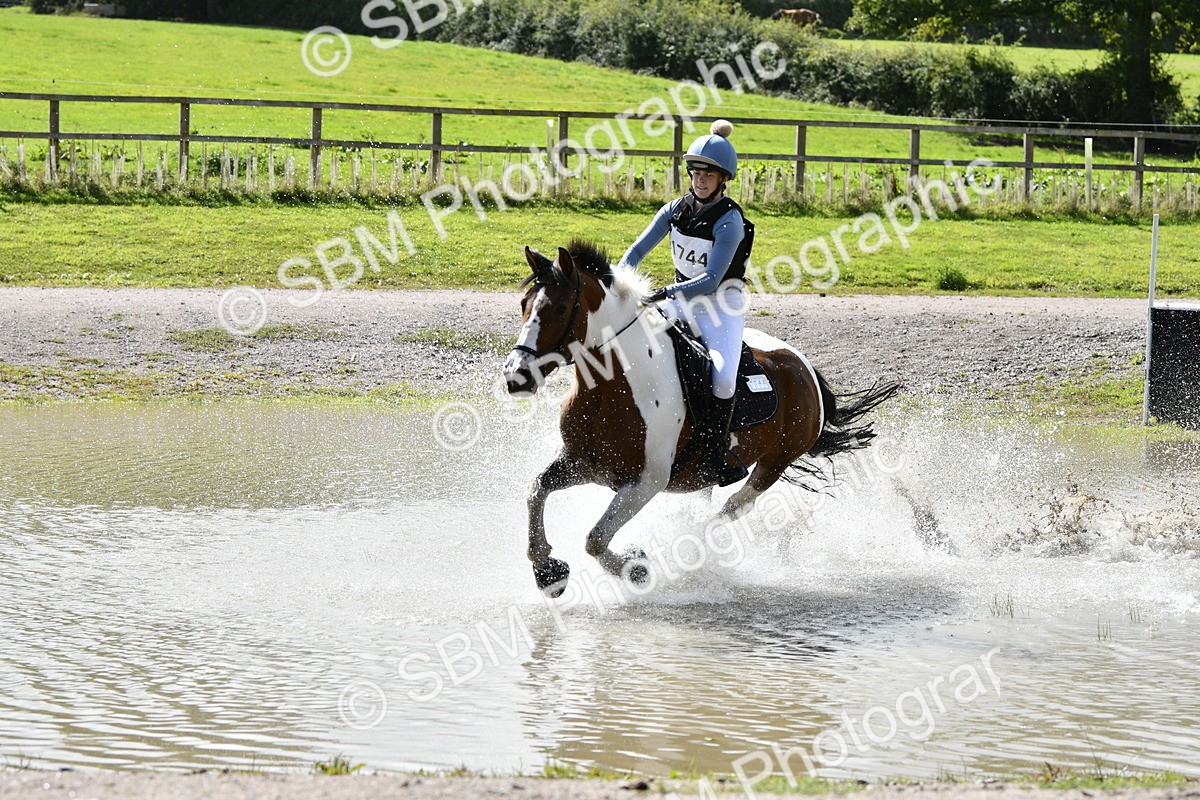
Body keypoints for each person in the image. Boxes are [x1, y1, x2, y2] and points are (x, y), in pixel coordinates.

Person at [617, 119, 754, 487]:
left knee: (723, 379)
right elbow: (636, 251)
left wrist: (661, 293)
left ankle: (716, 452)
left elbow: (710, 280)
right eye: (695, 172)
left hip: (721, 305)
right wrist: (621, 283)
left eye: (709, 174)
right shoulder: (674, 210)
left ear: (723, 178)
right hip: (679, 298)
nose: (700, 179)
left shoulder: (729, 221)